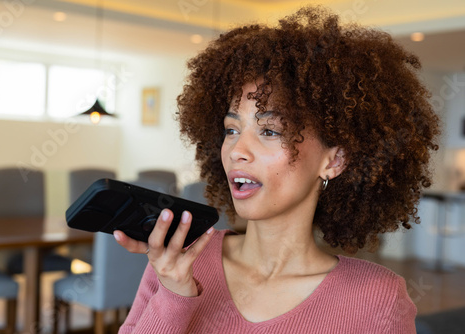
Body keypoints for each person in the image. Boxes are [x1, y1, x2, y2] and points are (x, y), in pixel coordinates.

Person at [114, 6, 440, 333]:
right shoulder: (178, 261)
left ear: (334, 161)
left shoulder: (376, 299)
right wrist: (174, 293)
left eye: (270, 132)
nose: (237, 151)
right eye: (231, 130)